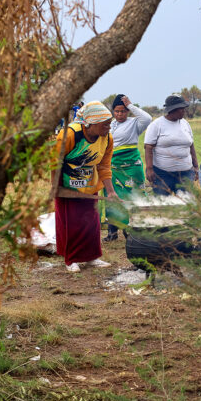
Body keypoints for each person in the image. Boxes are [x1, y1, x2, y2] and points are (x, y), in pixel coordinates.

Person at [53, 101, 117, 273]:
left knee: (91, 221)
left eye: (110, 123)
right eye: (105, 124)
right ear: (90, 123)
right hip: (67, 183)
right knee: (71, 221)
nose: (109, 127)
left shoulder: (107, 138)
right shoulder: (70, 135)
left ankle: (91, 257)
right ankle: (71, 259)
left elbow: (104, 166)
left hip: (89, 182)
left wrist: (111, 191)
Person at [104, 94, 153, 241]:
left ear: (128, 111)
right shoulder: (111, 124)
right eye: (117, 111)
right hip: (113, 166)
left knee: (134, 195)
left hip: (132, 166)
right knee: (112, 196)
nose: (120, 114)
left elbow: (148, 118)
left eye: (123, 111)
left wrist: (130, 105)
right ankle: (112, 232)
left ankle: (133, 229)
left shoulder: (135, 123)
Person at [144, 94, 199, 195]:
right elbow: (148, 147)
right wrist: (149, 169)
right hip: (162, 174)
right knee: (163, 202)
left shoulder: (185, 124)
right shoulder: (157, 124)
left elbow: (191, 145)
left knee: (185, 202)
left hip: (186, 174)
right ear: (173, 109)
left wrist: (195, 166)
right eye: (181, 109)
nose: (184, 111)